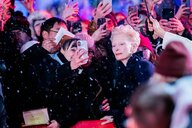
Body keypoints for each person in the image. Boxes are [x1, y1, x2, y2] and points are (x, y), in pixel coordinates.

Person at [109, 24, 154, 127]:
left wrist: (121, 118)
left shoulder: (143, 66)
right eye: (114, 45)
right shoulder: (117, 69)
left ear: (133, 46)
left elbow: (150, 104)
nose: (116, 49)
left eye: (121, 44)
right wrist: (114, 115)